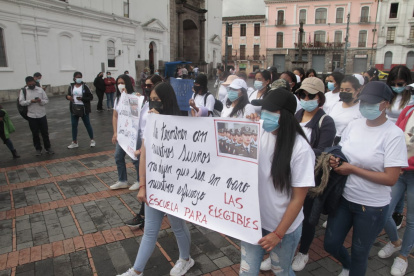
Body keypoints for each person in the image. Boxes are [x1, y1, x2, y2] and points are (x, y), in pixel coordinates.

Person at [324, 81, 407, 276]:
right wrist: (336, 160)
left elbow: (391, 178)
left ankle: (354, 269)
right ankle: (347, 265)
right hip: (345, 198)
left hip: (372, 207)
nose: (365, 106)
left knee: (361, 253)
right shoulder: (354, 125)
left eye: (371, 103)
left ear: (385, 104)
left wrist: (352, 169)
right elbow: (342, 150)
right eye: (363, 102)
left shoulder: (393, 134)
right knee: (331, 244)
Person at [118, 82, 193, 276]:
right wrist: (142, 185)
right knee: (150, 229)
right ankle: (136, 271)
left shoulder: (182, 121)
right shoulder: (150, 122)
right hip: (154, 183)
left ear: (168, 101)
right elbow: (144, 154)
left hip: (174, 186)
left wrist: (164, 125)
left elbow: (185, 154)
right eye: (151, 100)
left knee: (177, 225)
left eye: (158, 100)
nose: (154, 104)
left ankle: (185, 259)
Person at [240, 88, 315, 276]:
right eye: (263, 110)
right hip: (253, 223)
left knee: (281, 271)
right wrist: (246, 126)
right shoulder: (259, 132)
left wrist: (278, 234)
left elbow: (298, 199)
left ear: (286, 116)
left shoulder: (301, 149)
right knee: (247, 272)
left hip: (283, 228)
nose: (264, 115)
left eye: (270, 111)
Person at [287, 77, 336, 272]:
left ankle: (303, 251)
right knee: (288, 211)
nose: (306, 98)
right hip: (289, 172)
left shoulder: (326, 121)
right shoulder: (296, 114)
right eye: (302, 94)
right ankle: (285, 250)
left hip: (310, 176)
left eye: (311, 95)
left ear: (320, 98)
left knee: (307, 216)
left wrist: (295, 155)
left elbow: (322, 151)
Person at [377, 94, 414, 276]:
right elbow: (397, 135)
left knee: (412, 220)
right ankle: (395, 241)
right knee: (384, 210)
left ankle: (404, 256)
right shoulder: (408, 110)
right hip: (400, 170)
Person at [125, 74, 163, 229]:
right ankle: (144, 214)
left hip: (159, 155)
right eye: (145, 86)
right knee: (145, 178)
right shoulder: (146, 102)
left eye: (150, 86)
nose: (147, 89)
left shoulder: (165, 110)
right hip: (144, 145)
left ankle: (143, 215)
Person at [110, 74, 140, 191]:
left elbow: (135, 113)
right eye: (118, 83)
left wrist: (129, 97)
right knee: (118, 156)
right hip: (122, 133)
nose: (120, 85)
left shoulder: (134, 96)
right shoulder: (117, 99)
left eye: (122, 82)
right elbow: (115, 116)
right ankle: (122, 180)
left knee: (134, 157)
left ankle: (139, 180)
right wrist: (115, 132)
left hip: (133, 133)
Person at [19, 76, 54, 156]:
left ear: (34, 82)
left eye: (32, 83)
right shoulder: (23, 91)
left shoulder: (40, 89)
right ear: (27, 84)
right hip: (31, 115)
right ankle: (38, 149)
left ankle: (48, 147)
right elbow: (21, 102)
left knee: (45, 132)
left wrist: (40, 101)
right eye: (29, 83)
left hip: (41, 114)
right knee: (35, 133)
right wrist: (30, 101)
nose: (31, 84)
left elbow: (46, 100)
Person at [326, 76, 363, 145]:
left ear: (357, 91)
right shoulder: (335, 105)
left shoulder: (361, 109)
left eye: (348, 90)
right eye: (342, 90)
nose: (344, 92)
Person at [66, 72, 95, 149]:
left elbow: (91, 97)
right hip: (74, 108)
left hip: (84, 108)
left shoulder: (85, 86)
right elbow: (68, 95)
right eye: (77, 77)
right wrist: (68, 97)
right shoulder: (71, 86)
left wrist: (82, 98)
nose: (79, 79)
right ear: (74, 78)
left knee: (87, 124)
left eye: (80, 77)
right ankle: (74, 141)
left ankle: (92, 140)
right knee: (74, 125)